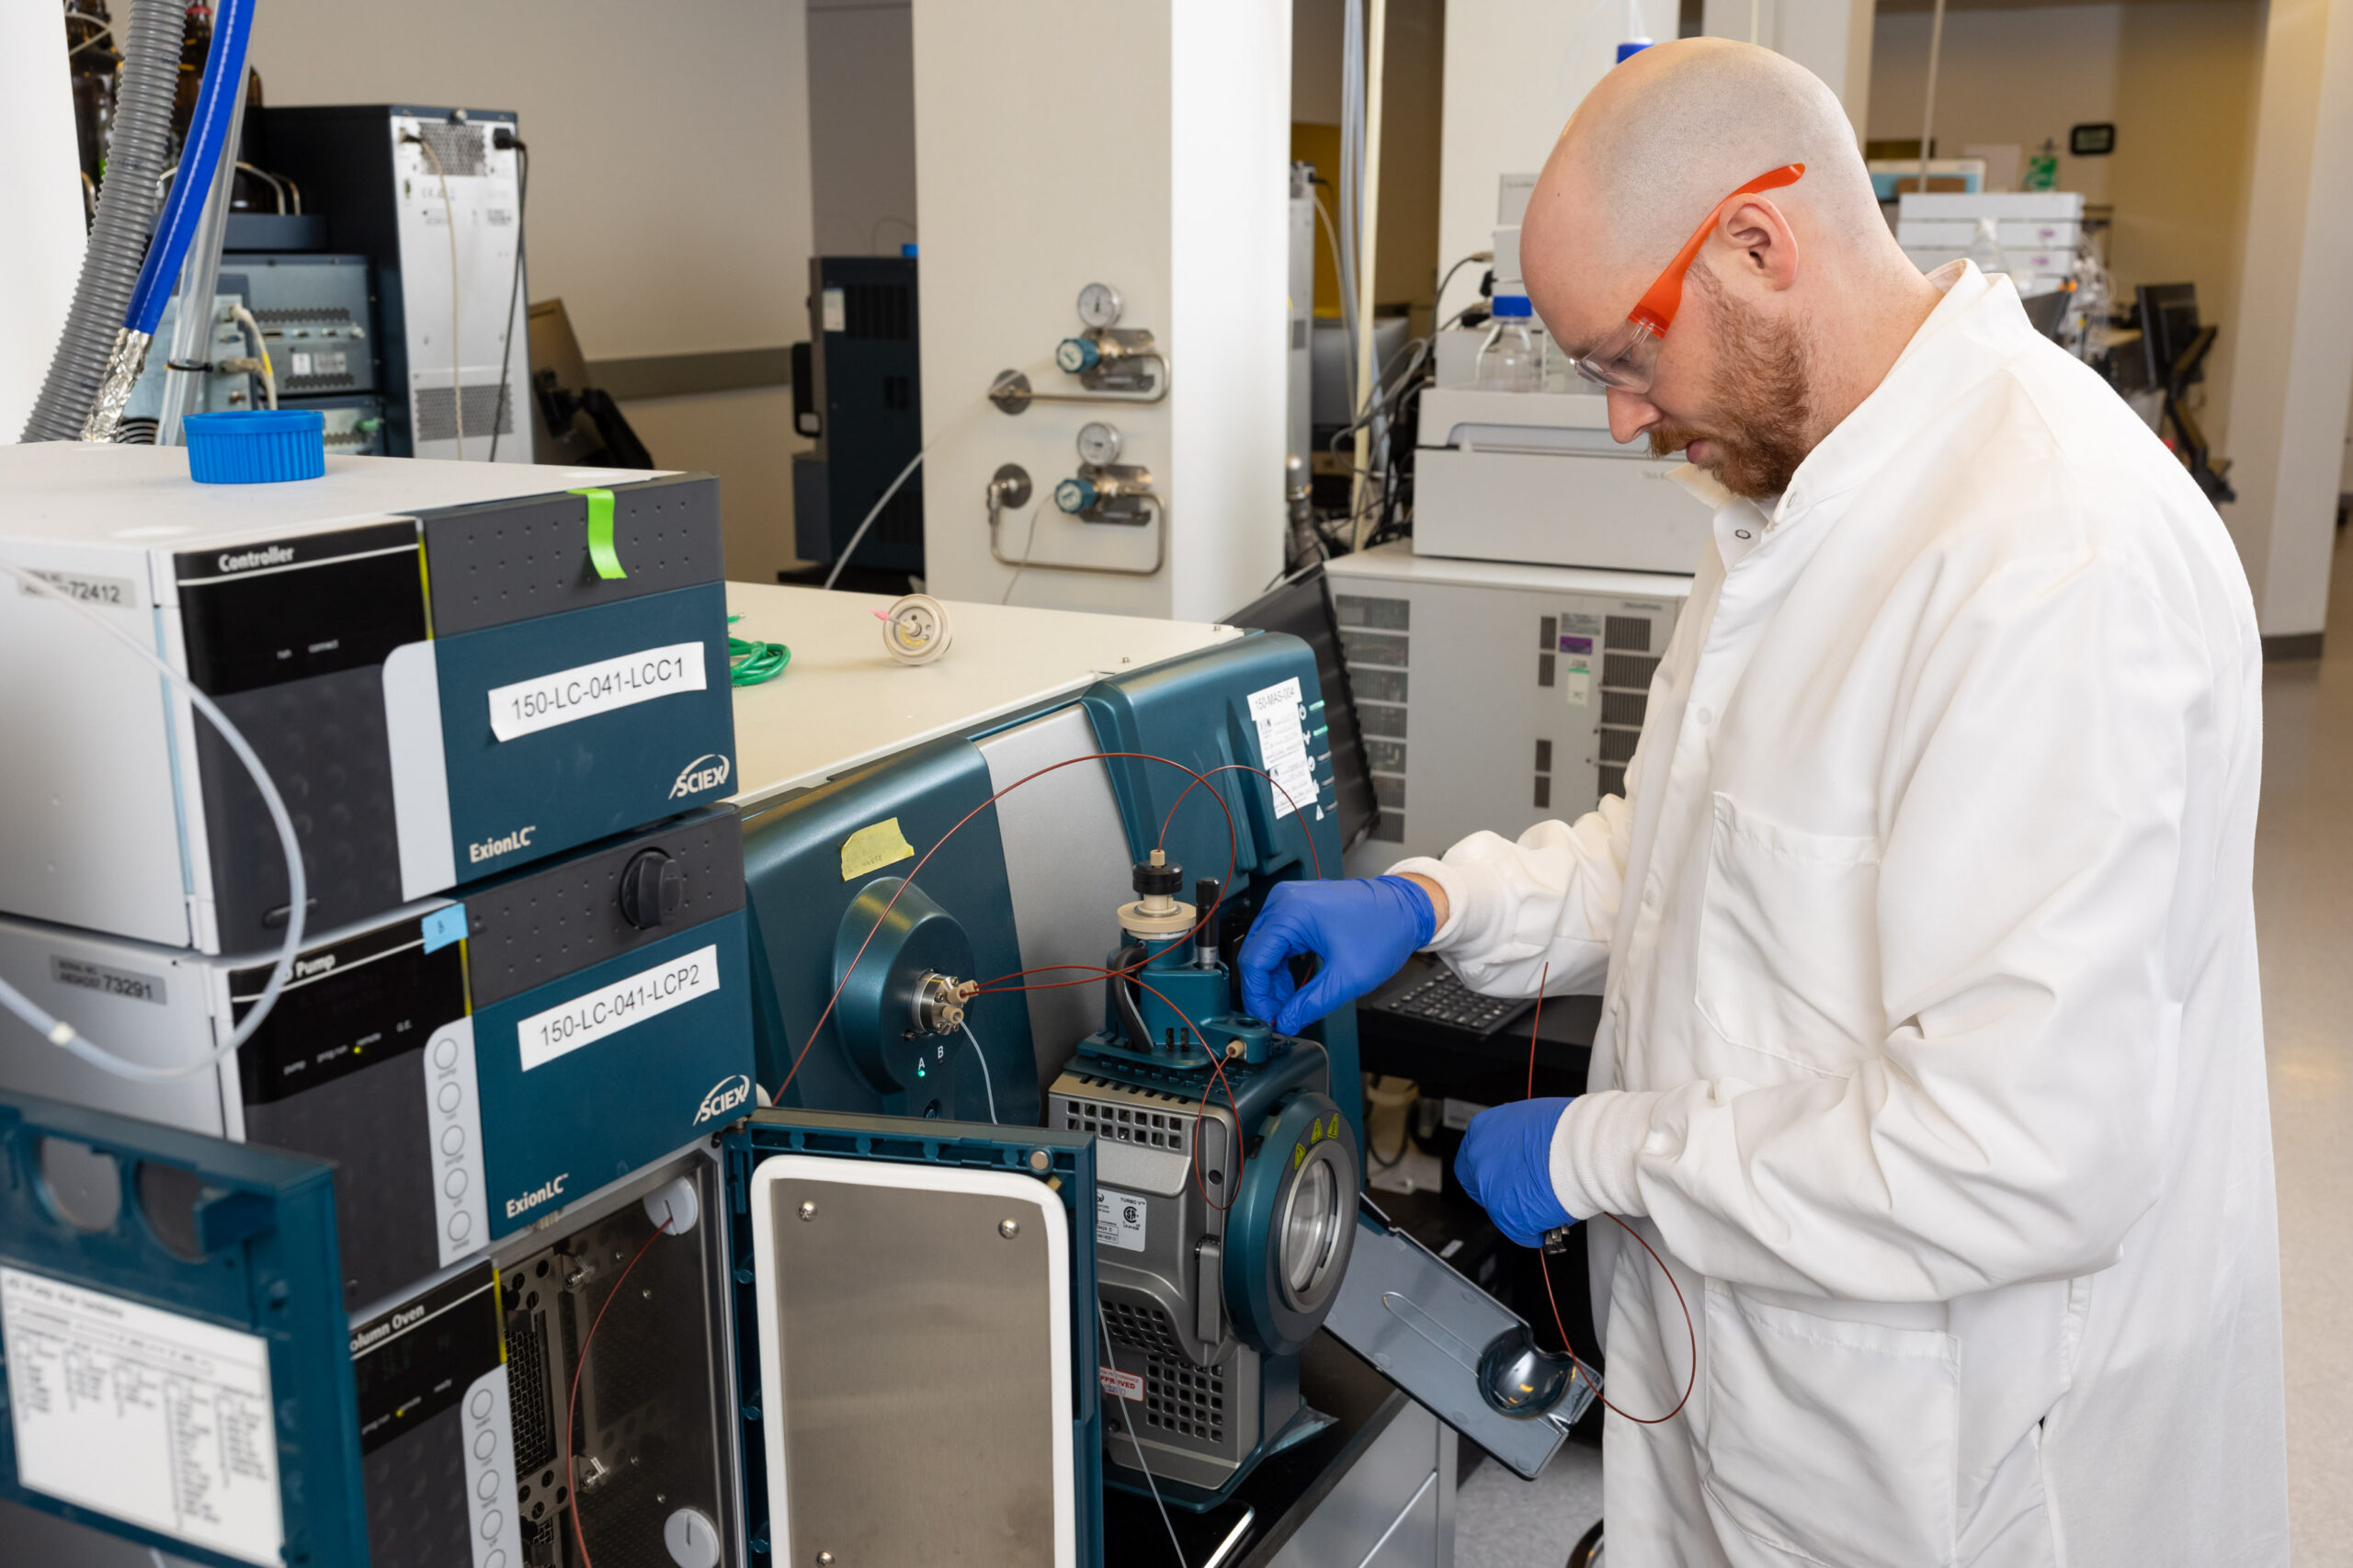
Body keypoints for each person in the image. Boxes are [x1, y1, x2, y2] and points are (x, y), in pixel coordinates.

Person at [1240, 38, 2285, 1568]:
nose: (1617, 418)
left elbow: (2019, 1149)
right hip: (1748, 1387)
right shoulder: (1788, 500)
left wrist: (1598, 1154)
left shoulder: (2052, 561)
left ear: (1755, 240)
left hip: (1952, 1455)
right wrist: (1436, 904)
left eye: (1622, 353)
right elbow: (1680, 850)